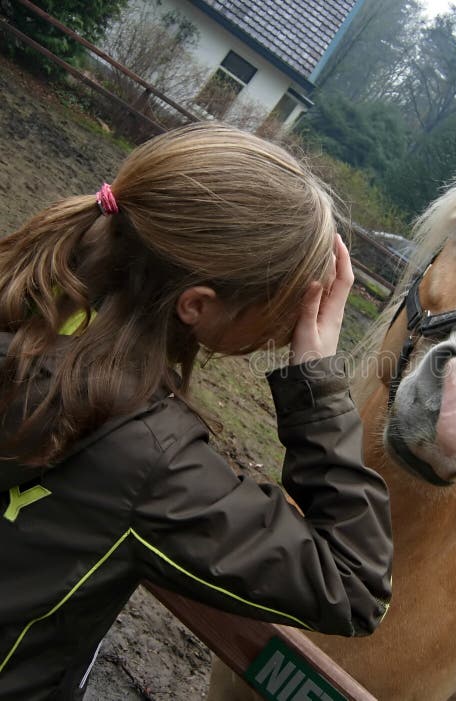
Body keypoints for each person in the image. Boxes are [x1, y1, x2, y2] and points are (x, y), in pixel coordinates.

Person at [0, 123, 393, 700]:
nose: (287, 327)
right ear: (197, 305)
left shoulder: (21, 305)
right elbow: (355, 585)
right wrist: (315, 380)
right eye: (283, 304)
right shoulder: (148, 462)